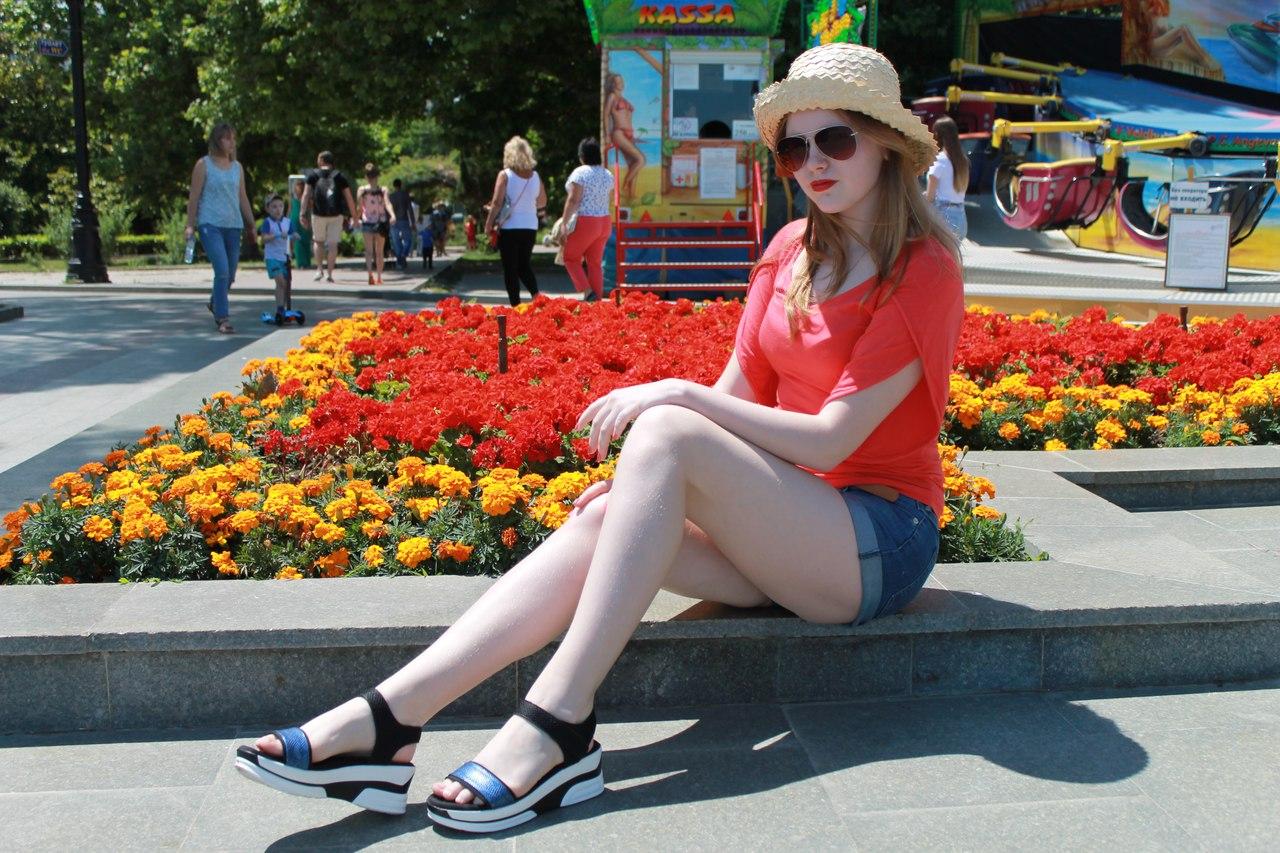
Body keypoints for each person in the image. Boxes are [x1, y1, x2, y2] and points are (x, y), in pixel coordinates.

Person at [235, 42, 963, 834]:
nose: (812, 162)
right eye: (794, 147)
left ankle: (558, 720)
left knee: (670, 427)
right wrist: (647, 485)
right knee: (606, 512)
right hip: (789, 528)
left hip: (877, 539)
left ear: (885, 145)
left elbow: (827, 441)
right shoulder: (790, 251)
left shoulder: (922, 267)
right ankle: (388, 718)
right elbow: (736, 400)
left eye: (836, 140)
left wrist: (675, 398)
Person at [184, 121, 256, 334]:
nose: (232, 142)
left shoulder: (237, 168)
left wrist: (251, 224)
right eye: (227, 138)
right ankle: (222, 318)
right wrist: (190, 225)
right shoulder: (203, 165)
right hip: (210, 224)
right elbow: (194, 197)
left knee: (230, 275)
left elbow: (242, 197)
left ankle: (215, 301)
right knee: (222, 271)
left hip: (233, 225)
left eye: (233, 138)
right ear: (217, 141)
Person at [483, 136, 547, 306]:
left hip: (510, 227)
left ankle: (516, 306)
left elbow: (496, 203)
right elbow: (542, 202)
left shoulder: (505, 175)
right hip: (530, 226)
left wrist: (488, 224)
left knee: (510, 269)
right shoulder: (535, 176)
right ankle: (538, 298)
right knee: (524, 265)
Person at [560, 137, 615, 302]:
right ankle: (596, 303)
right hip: (604, 221)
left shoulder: (580, 172)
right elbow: (609, 198)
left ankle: (588, 291)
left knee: (570, 257)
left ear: (582, 155)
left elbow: (573, 200)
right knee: (595, 263)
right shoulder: (607, 174)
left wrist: (564, 223)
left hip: (587, 220)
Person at [300, 151, 356, 284]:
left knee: (318, 241)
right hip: (336, 215)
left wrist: (302, 213)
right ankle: (330, 274)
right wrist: (354, 216)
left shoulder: (313, 175)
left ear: (321, 161)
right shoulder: (339, 176)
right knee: (332, 245)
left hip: (318, 214)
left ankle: (319, 269)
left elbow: (306, 195)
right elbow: (349, 198)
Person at [925, 116, 969, 241]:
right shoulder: (962, 160)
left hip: (944, 216)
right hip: (961, 216)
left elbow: (930, 197)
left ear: (938, 135)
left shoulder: (940, 160)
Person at [257, 192, 299, 322]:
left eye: (280, 206)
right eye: (274, 207)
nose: (278, 209)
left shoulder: (288, 222)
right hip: (272, 257)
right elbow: (264, 239)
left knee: (285, 285)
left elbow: (293, 235)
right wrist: (276, 235)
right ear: (268, 209)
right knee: (281, 282)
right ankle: (280, 308)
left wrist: (294, 237)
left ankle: (282, 308)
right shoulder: (267, 223)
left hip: (284, 258)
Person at [604, 72, 646, 201]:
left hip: (628, 134)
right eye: (618, 81)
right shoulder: (612, 96)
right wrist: (607, 134)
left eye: (622, 81)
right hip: (619, 132)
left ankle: (631, 196)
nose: (621, 83)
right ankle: (625, 184)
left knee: (633, 164)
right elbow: (606, 115)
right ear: (613, 84)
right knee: (641, 159)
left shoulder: (623, 98)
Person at [356, 163, 390, 286]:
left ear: (366, 177)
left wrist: (355, 219)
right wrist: (393, 215)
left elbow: (360, 208)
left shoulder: (362, 190)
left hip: (367, 222)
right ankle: (379, 277)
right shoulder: (383, 190)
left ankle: (370, 274)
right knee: (379, 252)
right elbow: (387, 204)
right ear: (377, 176)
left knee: (369, 251)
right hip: (381, 222)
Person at [387, 179, 415, 271]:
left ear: (394, 186)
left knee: (396, 241)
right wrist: (413, 222)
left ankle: (400, 258)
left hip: (393, 221)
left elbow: (388, 210)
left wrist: (388, 221)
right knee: (408, 240)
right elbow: (410, 209)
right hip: (404, 219)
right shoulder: (405, 195)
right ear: (401, 185)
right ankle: (403, 255)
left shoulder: (391, 196)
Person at [287, 176, 313, 270]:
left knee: (303, 241)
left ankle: (304, 262)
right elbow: (290, 210)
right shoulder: (294, 199)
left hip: (302, 220)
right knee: (300, 241)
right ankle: (303, 262)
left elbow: (310, 210)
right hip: (297, 220)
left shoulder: (306, 199)